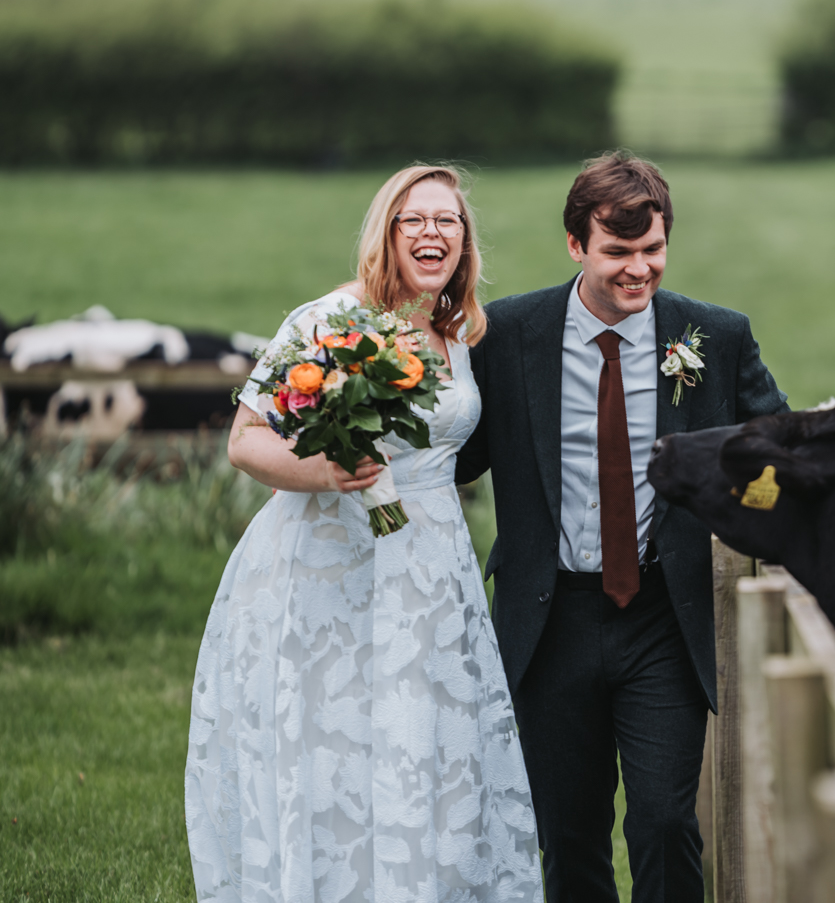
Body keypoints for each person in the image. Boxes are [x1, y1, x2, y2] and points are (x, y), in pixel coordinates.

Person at [186, 165, 544, 902]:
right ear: (386, 231)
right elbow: (246, 440)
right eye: (414, 219)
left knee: (429, 744)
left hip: (434, 561)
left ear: (465, 241)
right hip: (334, 564)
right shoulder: (329, 318)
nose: (431, 233)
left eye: (447, 221)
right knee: (340, 746)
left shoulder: (458, 330)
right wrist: (325, 471)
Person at [455, 152, 788, 903]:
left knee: (667, 821)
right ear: (576, 244)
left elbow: (777, 446)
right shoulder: (508, 335)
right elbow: (457, 455)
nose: (640, 269)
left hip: (663, 616)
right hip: (551, 616)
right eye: (619, 252)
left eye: (653, 250)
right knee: (568, 834)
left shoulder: (715, 336)